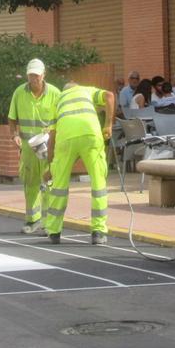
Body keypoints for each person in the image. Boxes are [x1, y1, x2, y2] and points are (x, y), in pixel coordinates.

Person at [45, 81, 115, 245]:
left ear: (64, 90)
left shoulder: (57, 100)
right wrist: (108, 125)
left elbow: (52, 136)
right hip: (90, 134)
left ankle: (54, 231)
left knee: (59, 186)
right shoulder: (87, 90)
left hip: (65, 138)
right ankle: (98, 232)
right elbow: (110, 96)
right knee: (98, 184)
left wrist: (51, 166)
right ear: (76, 86)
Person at [6, 59, 60, 235]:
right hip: (29, 148)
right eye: (30, 75)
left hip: (49, 146)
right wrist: (14, 135)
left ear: (43, 75)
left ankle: (49, 223)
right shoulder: (19, 93)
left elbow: (62, 119)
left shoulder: (55, 93)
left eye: (36, 75)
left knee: (49, 183)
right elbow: (12, 118)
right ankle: (33, 219)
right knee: (30, 183)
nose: (33, 79)